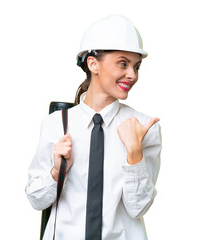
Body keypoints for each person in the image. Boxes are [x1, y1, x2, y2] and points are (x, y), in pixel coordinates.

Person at [25, 15, 162, 240]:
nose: (132, 75)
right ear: (93, 63)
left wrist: (134, 153)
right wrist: (56, 173)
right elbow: (36, 200)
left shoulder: (143, 127)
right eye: (122, 63)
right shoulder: (56, 124)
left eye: (136, 66)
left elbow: (138, 208)